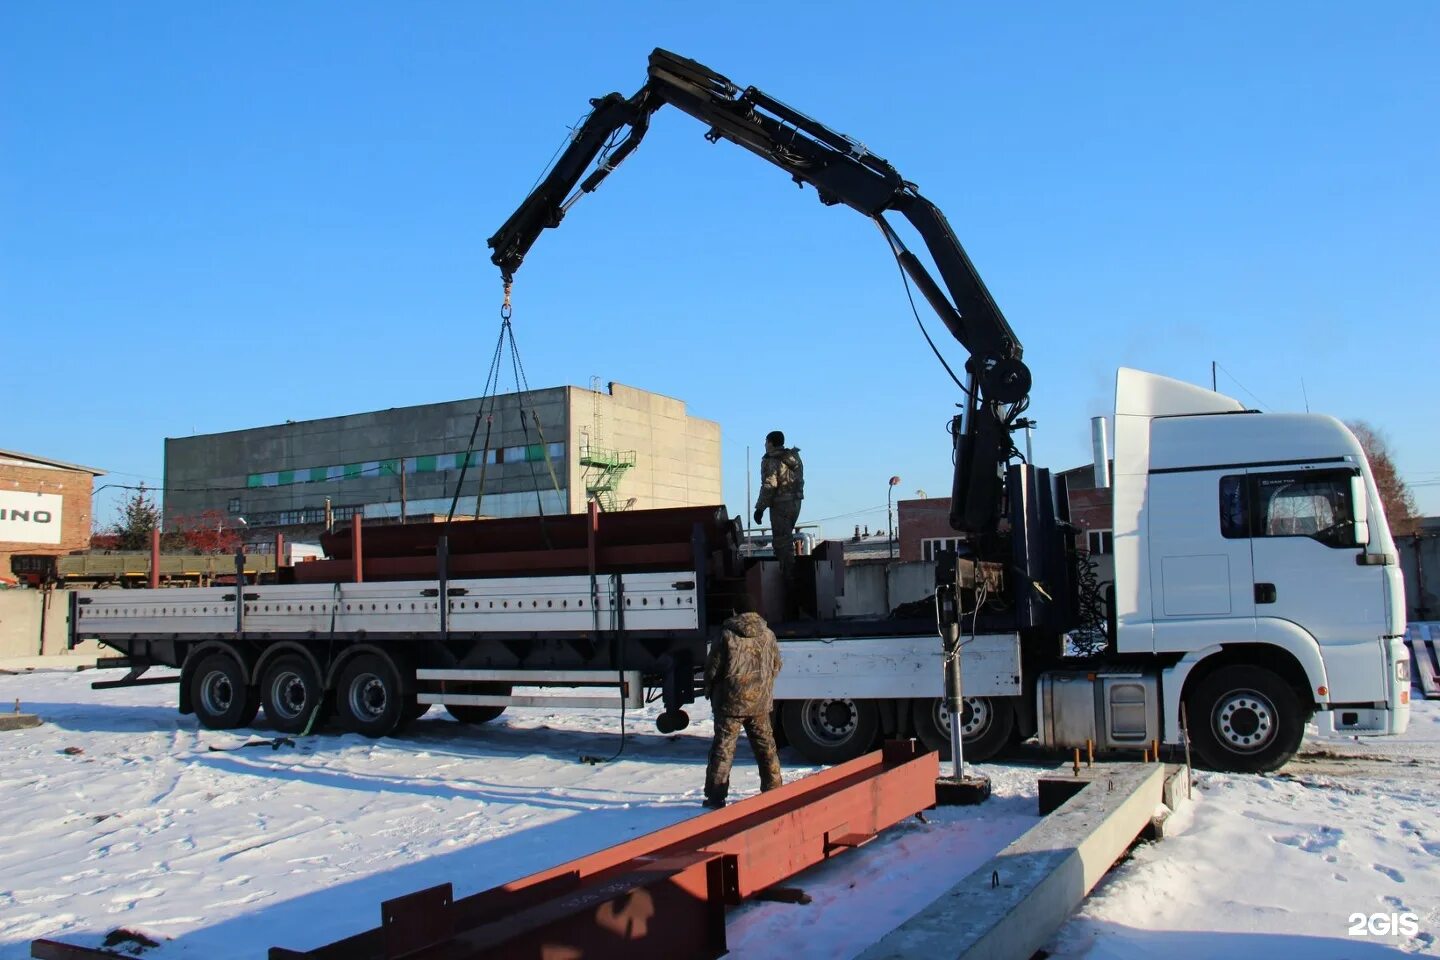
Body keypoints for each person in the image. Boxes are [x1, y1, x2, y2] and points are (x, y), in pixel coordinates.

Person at [703, 595, 783, 808]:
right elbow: (776, 664)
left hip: (730, 703)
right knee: (766, 746)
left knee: (724, 749)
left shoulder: (726, 634)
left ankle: (716, 796)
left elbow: (713, 668)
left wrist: (709, 687)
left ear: (734, 612)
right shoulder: (768, 634)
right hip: (759, 702)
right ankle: (774, 788)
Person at [753, 430, 804, 581]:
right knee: (787, 539)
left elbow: (770, 485)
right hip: (795, 503)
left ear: (770, 443)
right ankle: (789, 572)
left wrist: (760, 508)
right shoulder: (794, 458)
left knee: (782, 543)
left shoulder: (772, 460)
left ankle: (788, 578)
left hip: (781, 505)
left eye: (766, 441)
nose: (764, 445)